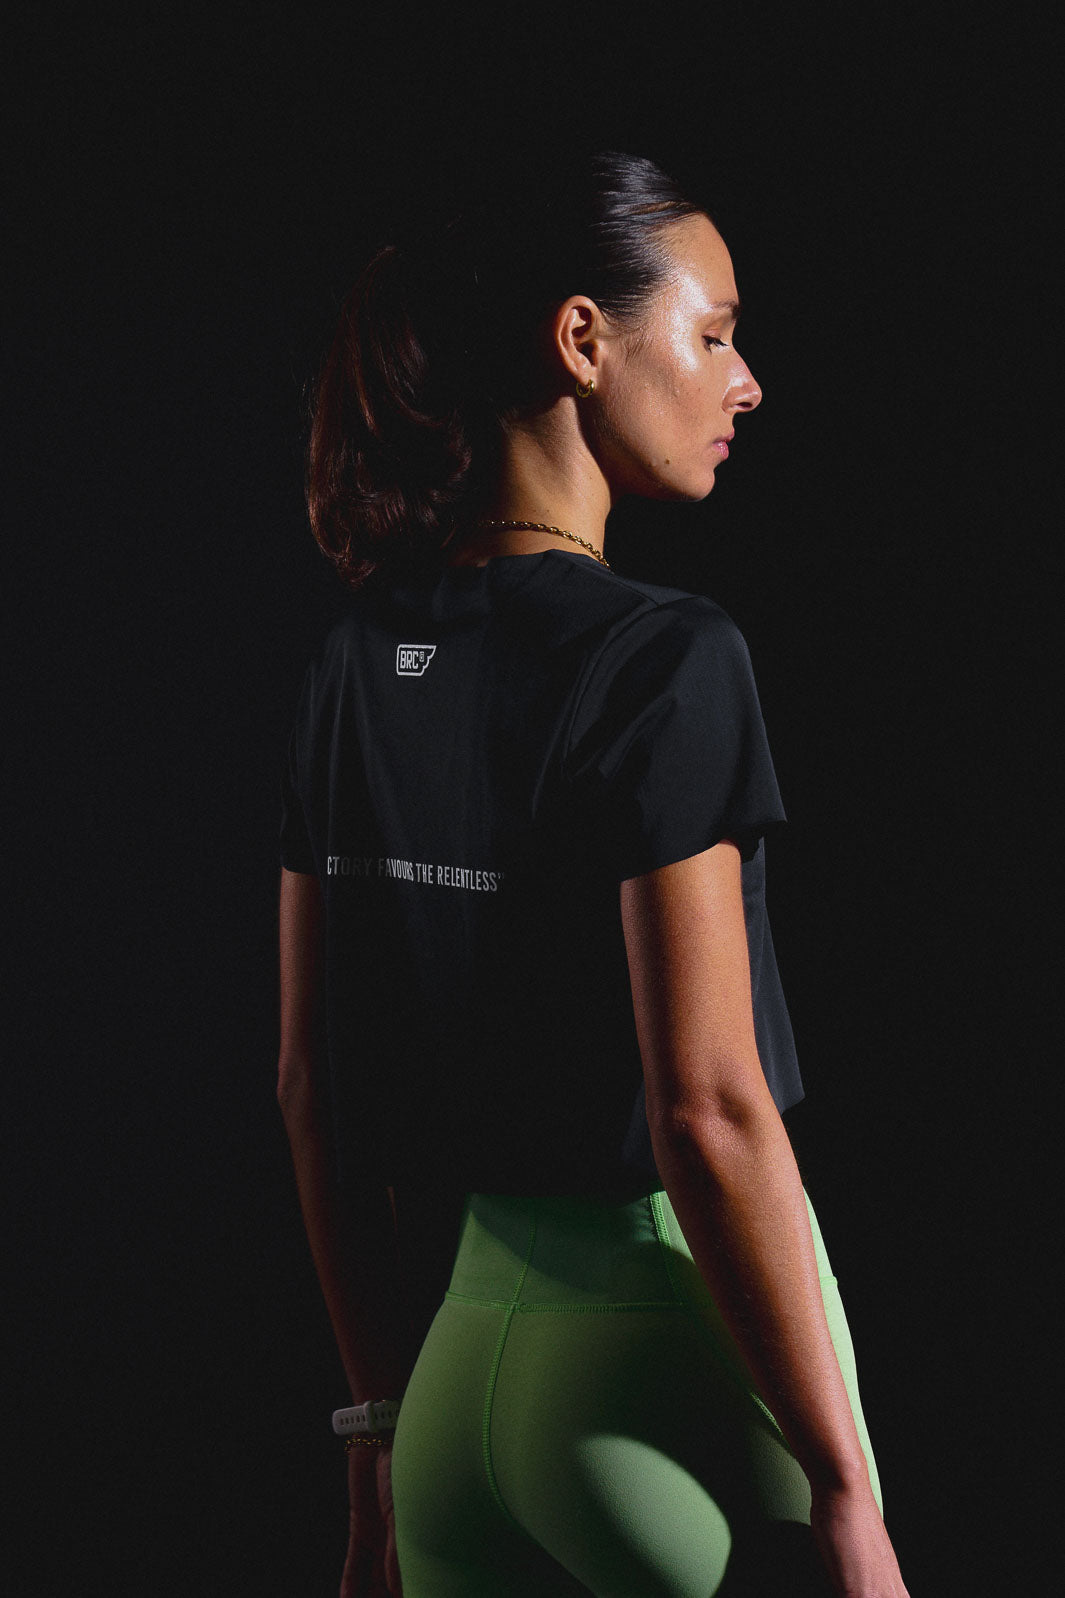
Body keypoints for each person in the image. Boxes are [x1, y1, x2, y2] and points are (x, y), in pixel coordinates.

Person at [277, 149, 909, 1597]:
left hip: (456, 1394)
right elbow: (708, 1108)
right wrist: (842, 1488)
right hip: (663, 1368)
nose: (746, 382)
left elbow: (311, 1086)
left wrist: (379, 1433)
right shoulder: (664, 660)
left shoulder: (350, 665)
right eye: (714, 333)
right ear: (582, 340)